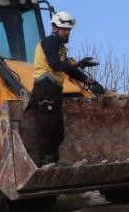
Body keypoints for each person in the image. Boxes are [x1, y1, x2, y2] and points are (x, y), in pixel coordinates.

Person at [27, 11, 103, 165]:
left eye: (69, 30)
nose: (67, 33)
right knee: (47, 127)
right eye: (64, 29)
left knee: (57, 130)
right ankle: (46, 161)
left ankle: (54, 161)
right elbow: (56, 65)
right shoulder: (49, 43)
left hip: (54, 91)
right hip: (44, 89)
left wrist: (89, 81)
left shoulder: (60, 48)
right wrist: (79, 63)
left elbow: (68, 69)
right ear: (54, 28)